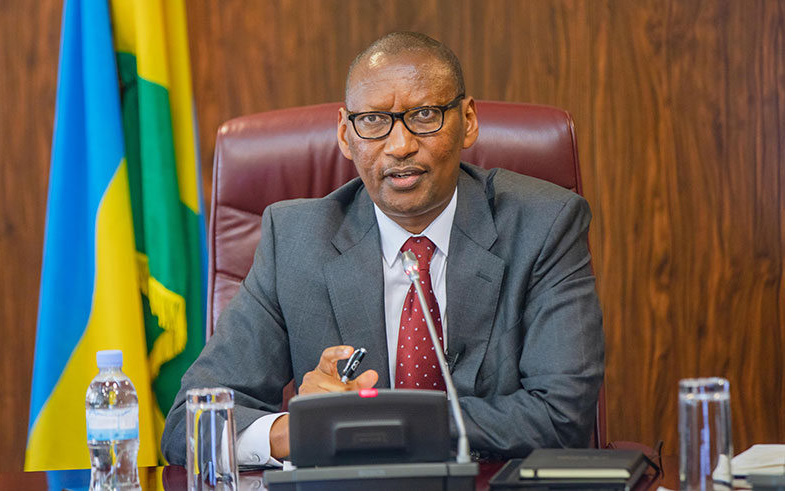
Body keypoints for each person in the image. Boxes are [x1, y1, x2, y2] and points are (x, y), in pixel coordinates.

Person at [161, 31, 604, 466]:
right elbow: (192, 425)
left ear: (467, 120)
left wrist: (367, 421)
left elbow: (562, 418)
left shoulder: (544, 224)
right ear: (344, 133)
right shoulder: (294, 241)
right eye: (373, 120)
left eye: (426, 115)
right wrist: (299, 428)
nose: (400, 145)